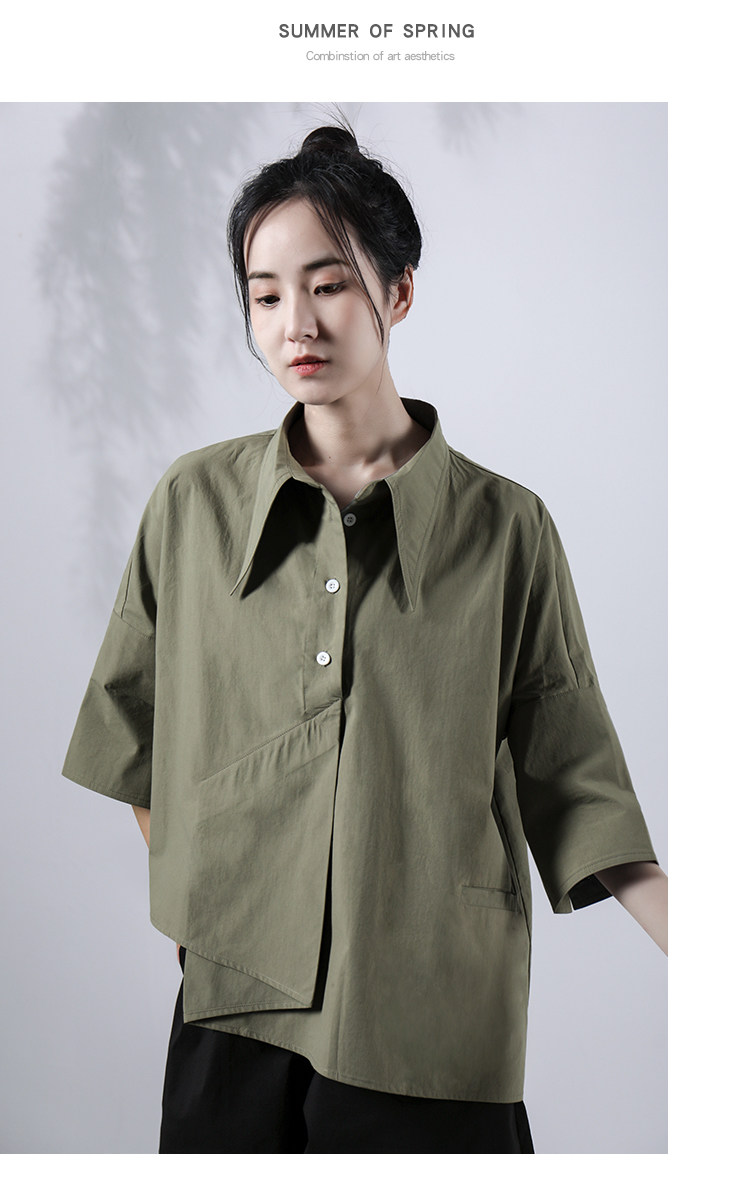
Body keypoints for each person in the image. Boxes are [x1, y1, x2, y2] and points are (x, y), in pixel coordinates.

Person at [62, 123, 667, 1154]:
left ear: (400, 292)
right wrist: (216, 906)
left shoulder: (506, 529)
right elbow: (134, 739)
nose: (295, 323)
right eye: (264, 295)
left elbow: (579, 788)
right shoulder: (193, 505)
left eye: (330, 284)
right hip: (232, 1023)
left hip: (431, 1018)